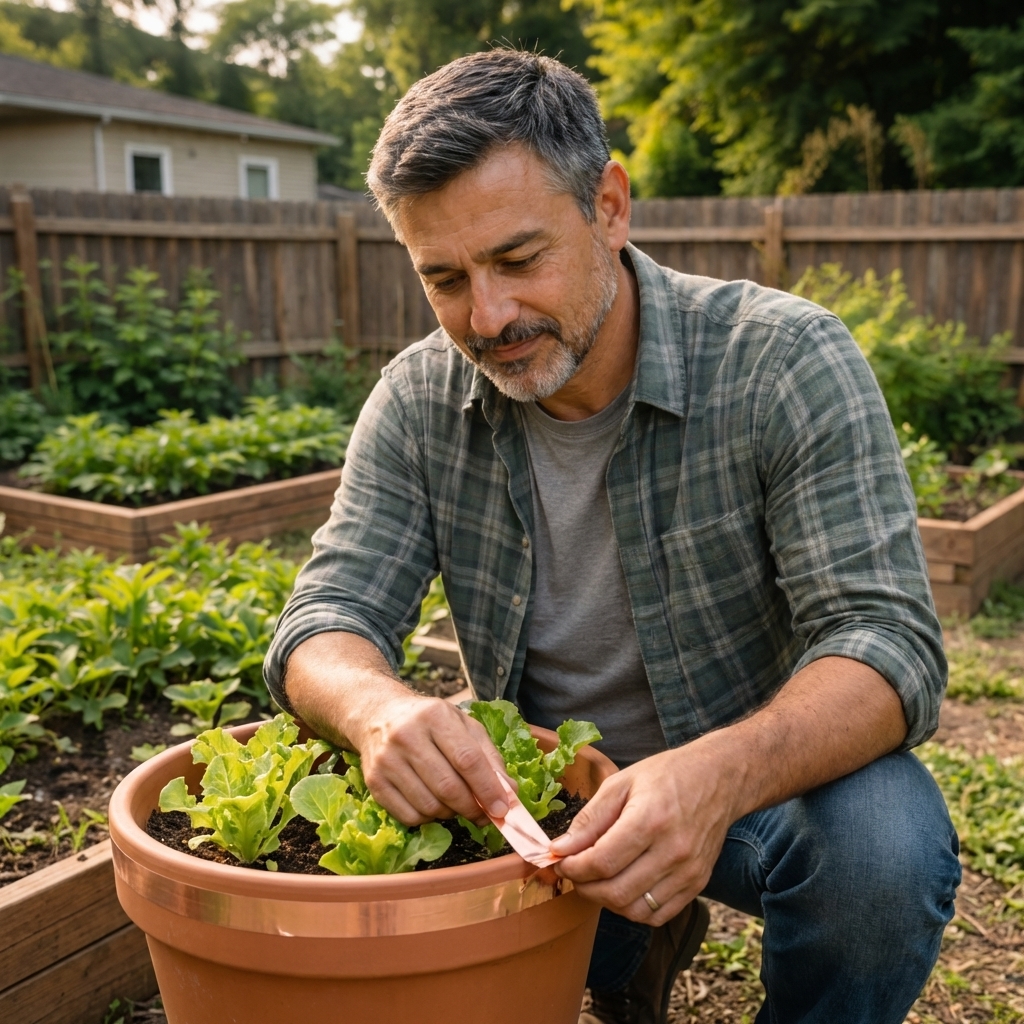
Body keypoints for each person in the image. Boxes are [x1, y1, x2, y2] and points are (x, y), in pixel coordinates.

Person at [264, 49, 961, 1024]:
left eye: (516, 259)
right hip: (554, 795)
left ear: (610, 206)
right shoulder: (418, 397)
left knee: (885, 849)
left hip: (755, 786)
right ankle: (631, 947)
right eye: (445, 278)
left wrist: (715, 774)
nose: (488, 315)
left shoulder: (782, 360)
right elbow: (325, 614)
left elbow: (886, 639)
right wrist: (376, 708)